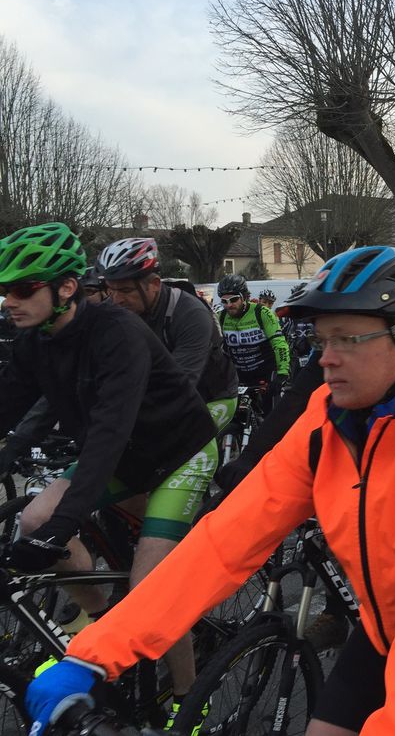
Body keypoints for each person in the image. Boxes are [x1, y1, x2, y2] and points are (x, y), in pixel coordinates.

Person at [27, 245, 395, 736]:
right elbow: (223, 544)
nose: (325, 358)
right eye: (320, 339)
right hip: (392, 610)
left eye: (346, 339)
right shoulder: (327, 421)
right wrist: (92, 655)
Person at [0, 223, 220, 729]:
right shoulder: (34, 341)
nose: (9, 300)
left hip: (178, 453)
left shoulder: (117, 332)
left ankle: (188, 700)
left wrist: (65, 525)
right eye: (3, 289)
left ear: (66, 288)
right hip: (125, 459)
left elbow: (108, 432)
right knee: (32, 520)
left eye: (22, 288)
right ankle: (108, 631)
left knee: (151, 586)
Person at [97, 237, 238, 431]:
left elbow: (177, 389)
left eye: (126, 290)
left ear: (154, 284)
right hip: (151, 395)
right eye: (110, 290)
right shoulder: (110, 309)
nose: (116, 299)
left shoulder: (190, 314)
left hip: (211, 395)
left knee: (186, 447)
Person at [217, 273, 291, 411]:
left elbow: (279, 343)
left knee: (272, 414)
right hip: (239, 375)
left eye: (233, 299)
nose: (229, 305)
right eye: (224, 301)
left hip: (265, 372)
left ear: (244, 297)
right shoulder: (220, 317)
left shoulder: (262, 313)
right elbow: (212, 349)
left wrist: (282, 373)